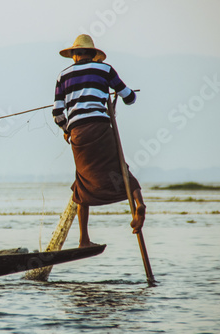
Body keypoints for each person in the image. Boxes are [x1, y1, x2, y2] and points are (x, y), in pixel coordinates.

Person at [52, 34, 146, 248]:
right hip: (102, 128)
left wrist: (67, 129)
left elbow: (58, 113)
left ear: (74, 55)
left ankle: (84, 239)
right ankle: (139, 204)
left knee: (82, 183)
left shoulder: (62, 76)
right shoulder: (105, 70)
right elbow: (129, 97)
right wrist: (121, 95)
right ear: (92, 54)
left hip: (78, 133)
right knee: (121, 169)